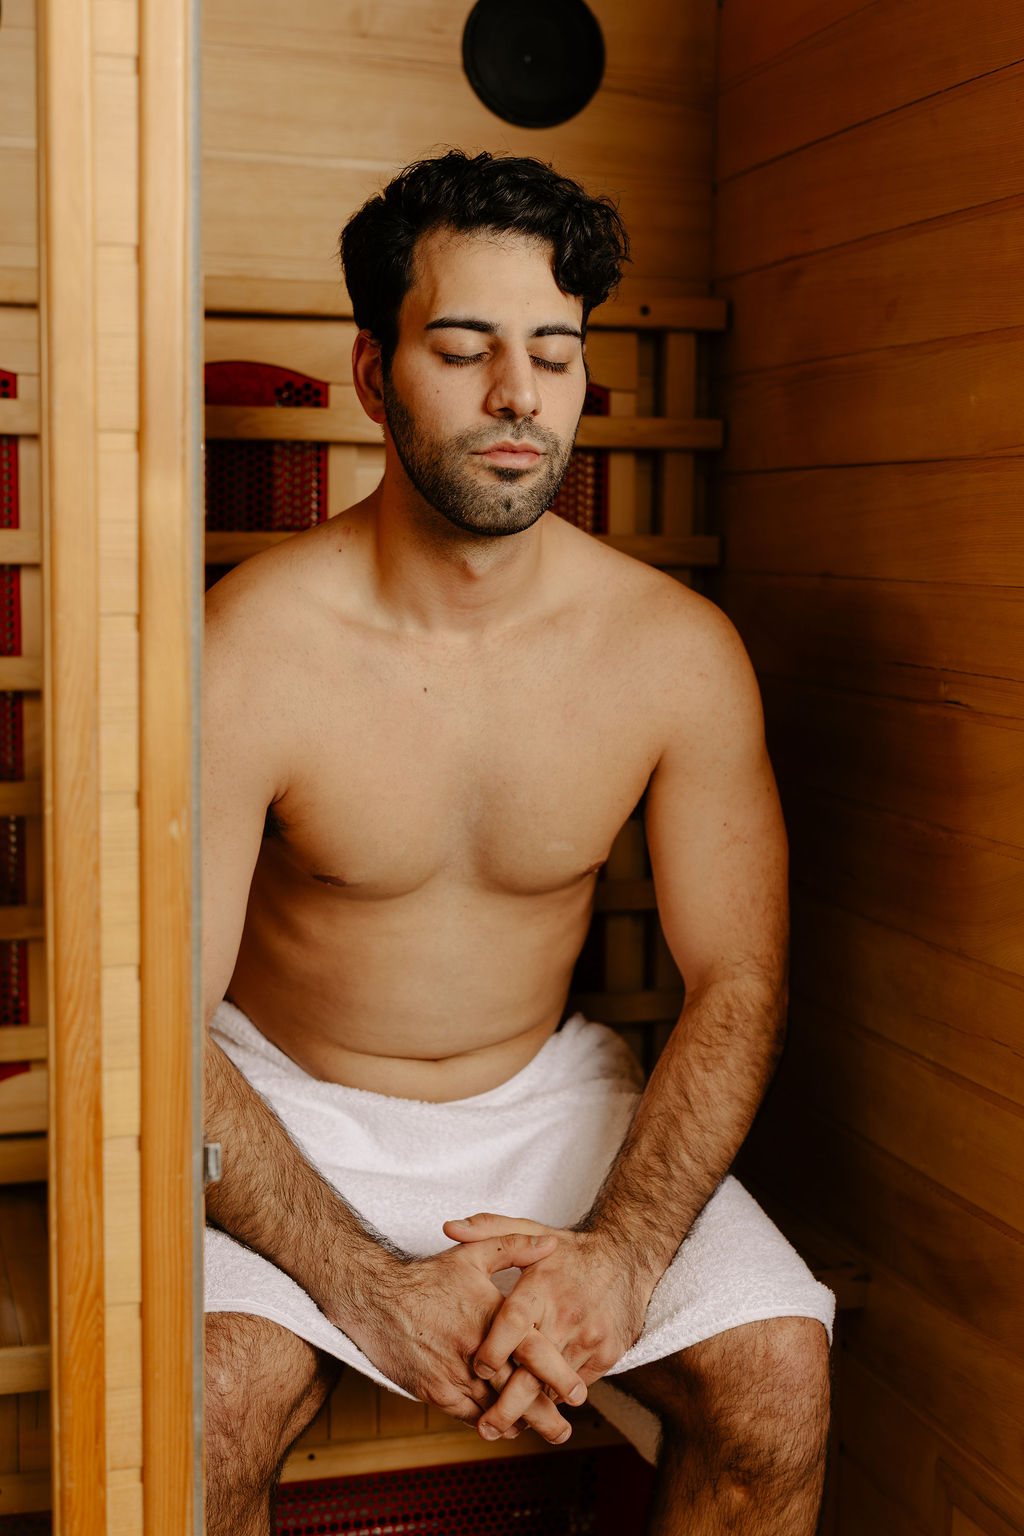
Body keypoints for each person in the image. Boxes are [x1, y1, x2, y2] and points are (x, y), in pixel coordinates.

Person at [203, 150, 834, 1536]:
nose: (516, 398)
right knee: (204, 1401)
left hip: (545, 1104)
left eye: (554, 354)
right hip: (282, 1106)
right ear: (376, 376)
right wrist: (366, 1285)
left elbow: (739, 984)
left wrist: (619, 1254)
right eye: (465, 349)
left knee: (779, 1379)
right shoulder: (248, 649)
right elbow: (161, 1030)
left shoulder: (673, 654)